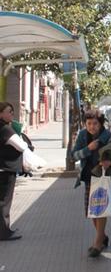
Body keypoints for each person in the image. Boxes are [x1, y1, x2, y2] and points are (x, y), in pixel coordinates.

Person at [71, 110, 111, 257]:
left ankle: (97, 244)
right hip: (89, 177)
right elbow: (73, 155)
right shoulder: (83, 135)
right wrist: (87, 149)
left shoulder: (109, 136)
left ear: (101, 124)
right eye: (89, 123)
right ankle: (102, 236)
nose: (91, 127)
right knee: (91, 212)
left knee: (100, 209)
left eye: (95, 123)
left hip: (104, 178)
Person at [0, 102, 35, 241]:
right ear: (1, 113)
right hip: (6, 170)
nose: (12, 115)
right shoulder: (6, 129)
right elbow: (21, 146)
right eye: (9, 112)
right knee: (4, 202)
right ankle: (4, 232)